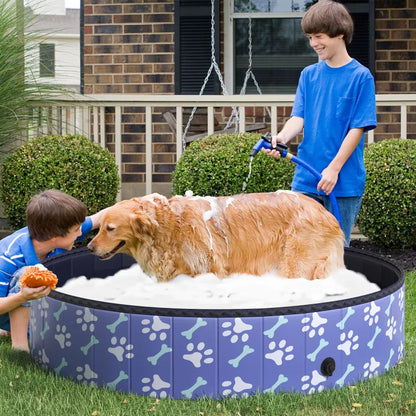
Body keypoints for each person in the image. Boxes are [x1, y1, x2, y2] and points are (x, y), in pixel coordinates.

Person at [263, 0, 377, 246]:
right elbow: (298, 117)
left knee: (334, 251)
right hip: (307, 176)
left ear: (340, 34)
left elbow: (357, 129)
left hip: (343, 181)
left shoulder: (360, 77)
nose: (313, 43)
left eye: (318, 36)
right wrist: (282, 138)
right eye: (309, 37)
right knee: (300, 246)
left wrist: (334, 169)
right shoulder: (309, 75)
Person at [0, 189, 108, 351]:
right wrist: (22, 296)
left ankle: (14, 327)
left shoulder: (55, 235)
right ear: (54, 236)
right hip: (10, 303)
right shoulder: (8, 257)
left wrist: (141, 202)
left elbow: (99, 218)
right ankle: (20, 347)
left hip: (36, 307)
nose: (81, 233)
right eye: (76, 230)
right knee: (26, 274)